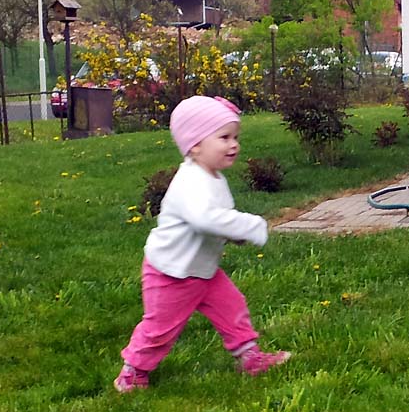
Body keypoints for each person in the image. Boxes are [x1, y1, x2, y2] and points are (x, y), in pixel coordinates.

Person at [114, 95, 291, 393]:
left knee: (233, 307)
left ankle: (250, 358)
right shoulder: (191, 182)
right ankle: (133, 372)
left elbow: (218, 220)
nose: (234, 144)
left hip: (202, 270)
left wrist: (233, 234)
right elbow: (205, 219)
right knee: (160, 329)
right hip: (171, 273)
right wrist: (251, 226)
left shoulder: (214, 178)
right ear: (195, 145)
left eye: (235, 137)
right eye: (224, 137)